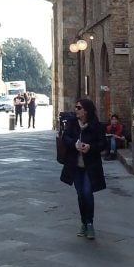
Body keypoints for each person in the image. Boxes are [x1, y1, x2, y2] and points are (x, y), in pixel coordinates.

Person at [58, 96, 107, 239]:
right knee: (80, 194)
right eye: (76, 107)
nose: (76, 110)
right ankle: (83, 222)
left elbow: (103, 143)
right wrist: (74, 144)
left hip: (90, 166)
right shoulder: (73, 123)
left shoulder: (96, 125)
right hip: (75, 165)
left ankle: (90, 224)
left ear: (86, 111)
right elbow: (65, 138)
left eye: (79, 108)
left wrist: (90, 147)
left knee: (87, 193)